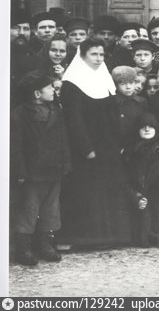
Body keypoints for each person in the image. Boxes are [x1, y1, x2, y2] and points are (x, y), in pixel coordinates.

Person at [59, 38, 133, 249]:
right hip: (86, 147)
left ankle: (111, 236)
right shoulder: (72, 82)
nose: (99, 59)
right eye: (94, 54)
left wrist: (117, 141)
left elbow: (112, 113)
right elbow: (74, 119)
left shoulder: (104, 77)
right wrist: (86, 148)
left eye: (101, 55)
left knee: (108, 188)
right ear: (82, 55)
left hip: (108, 145)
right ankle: (86, 238)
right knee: (87, 190)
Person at [10, 72, 71, 265]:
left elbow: (64, 139)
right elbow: (16, 146)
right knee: (28, 209)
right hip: (32, 172)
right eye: (49, 87)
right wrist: (20, 171)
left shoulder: (55, 109)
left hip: (53, 169)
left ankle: (45, 245)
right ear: (37, 93)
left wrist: (66, 161)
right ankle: (23, 249)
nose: (53, 90)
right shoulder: (19, 114)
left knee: (51, 209)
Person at [125, 113, 159, 248]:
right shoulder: (132, 152)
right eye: (143, 127)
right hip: (140, 195)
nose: (147, 129)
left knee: (158, 228)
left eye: (150, 127)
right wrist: (135, 195)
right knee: (142, 231)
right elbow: (126, 178)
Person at [110, 65, 150, 153]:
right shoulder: (110, 102)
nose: (128, 87)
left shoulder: (141, 102)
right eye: (123, 84)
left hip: (135, 148)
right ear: (116, 85)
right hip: (114, 148)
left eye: (131, 83)